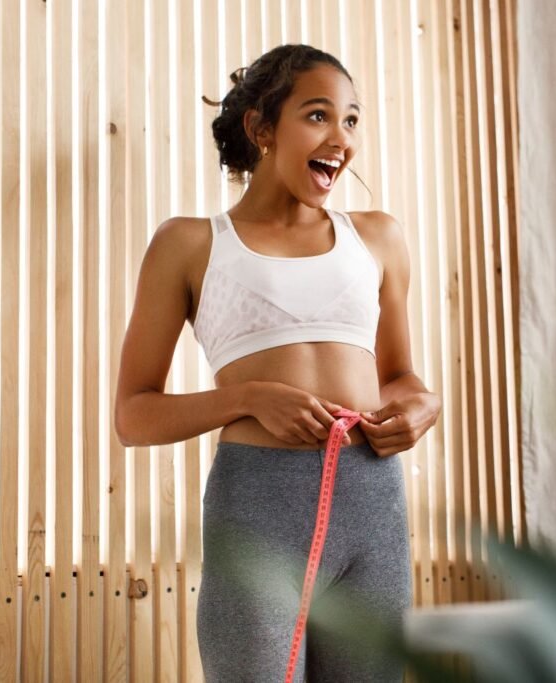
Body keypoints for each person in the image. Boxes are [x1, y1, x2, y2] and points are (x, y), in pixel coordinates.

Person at [113, 43, 442, 682]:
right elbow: (134, 415)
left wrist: (423, 405)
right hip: (258, 510)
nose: (341, 138)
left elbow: (400, 375)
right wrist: (249, 398)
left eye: (351, 120)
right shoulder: (190, 244)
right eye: (318, 115)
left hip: (373, 506)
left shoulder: (377, 237)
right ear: (261, 128)